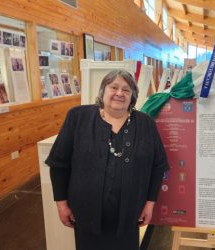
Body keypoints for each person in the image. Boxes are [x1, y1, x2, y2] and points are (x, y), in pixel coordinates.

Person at [45, 69, 169, 250]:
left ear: (132, 96)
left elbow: (158, 167)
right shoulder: (78, 117)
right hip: (86, 214)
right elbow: (59, 165)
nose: (119, 93)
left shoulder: (145, 124)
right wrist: (61, 205)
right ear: (103, 91)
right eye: (114, 87)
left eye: (126, 90)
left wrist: (149, 205)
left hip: (129, 215)